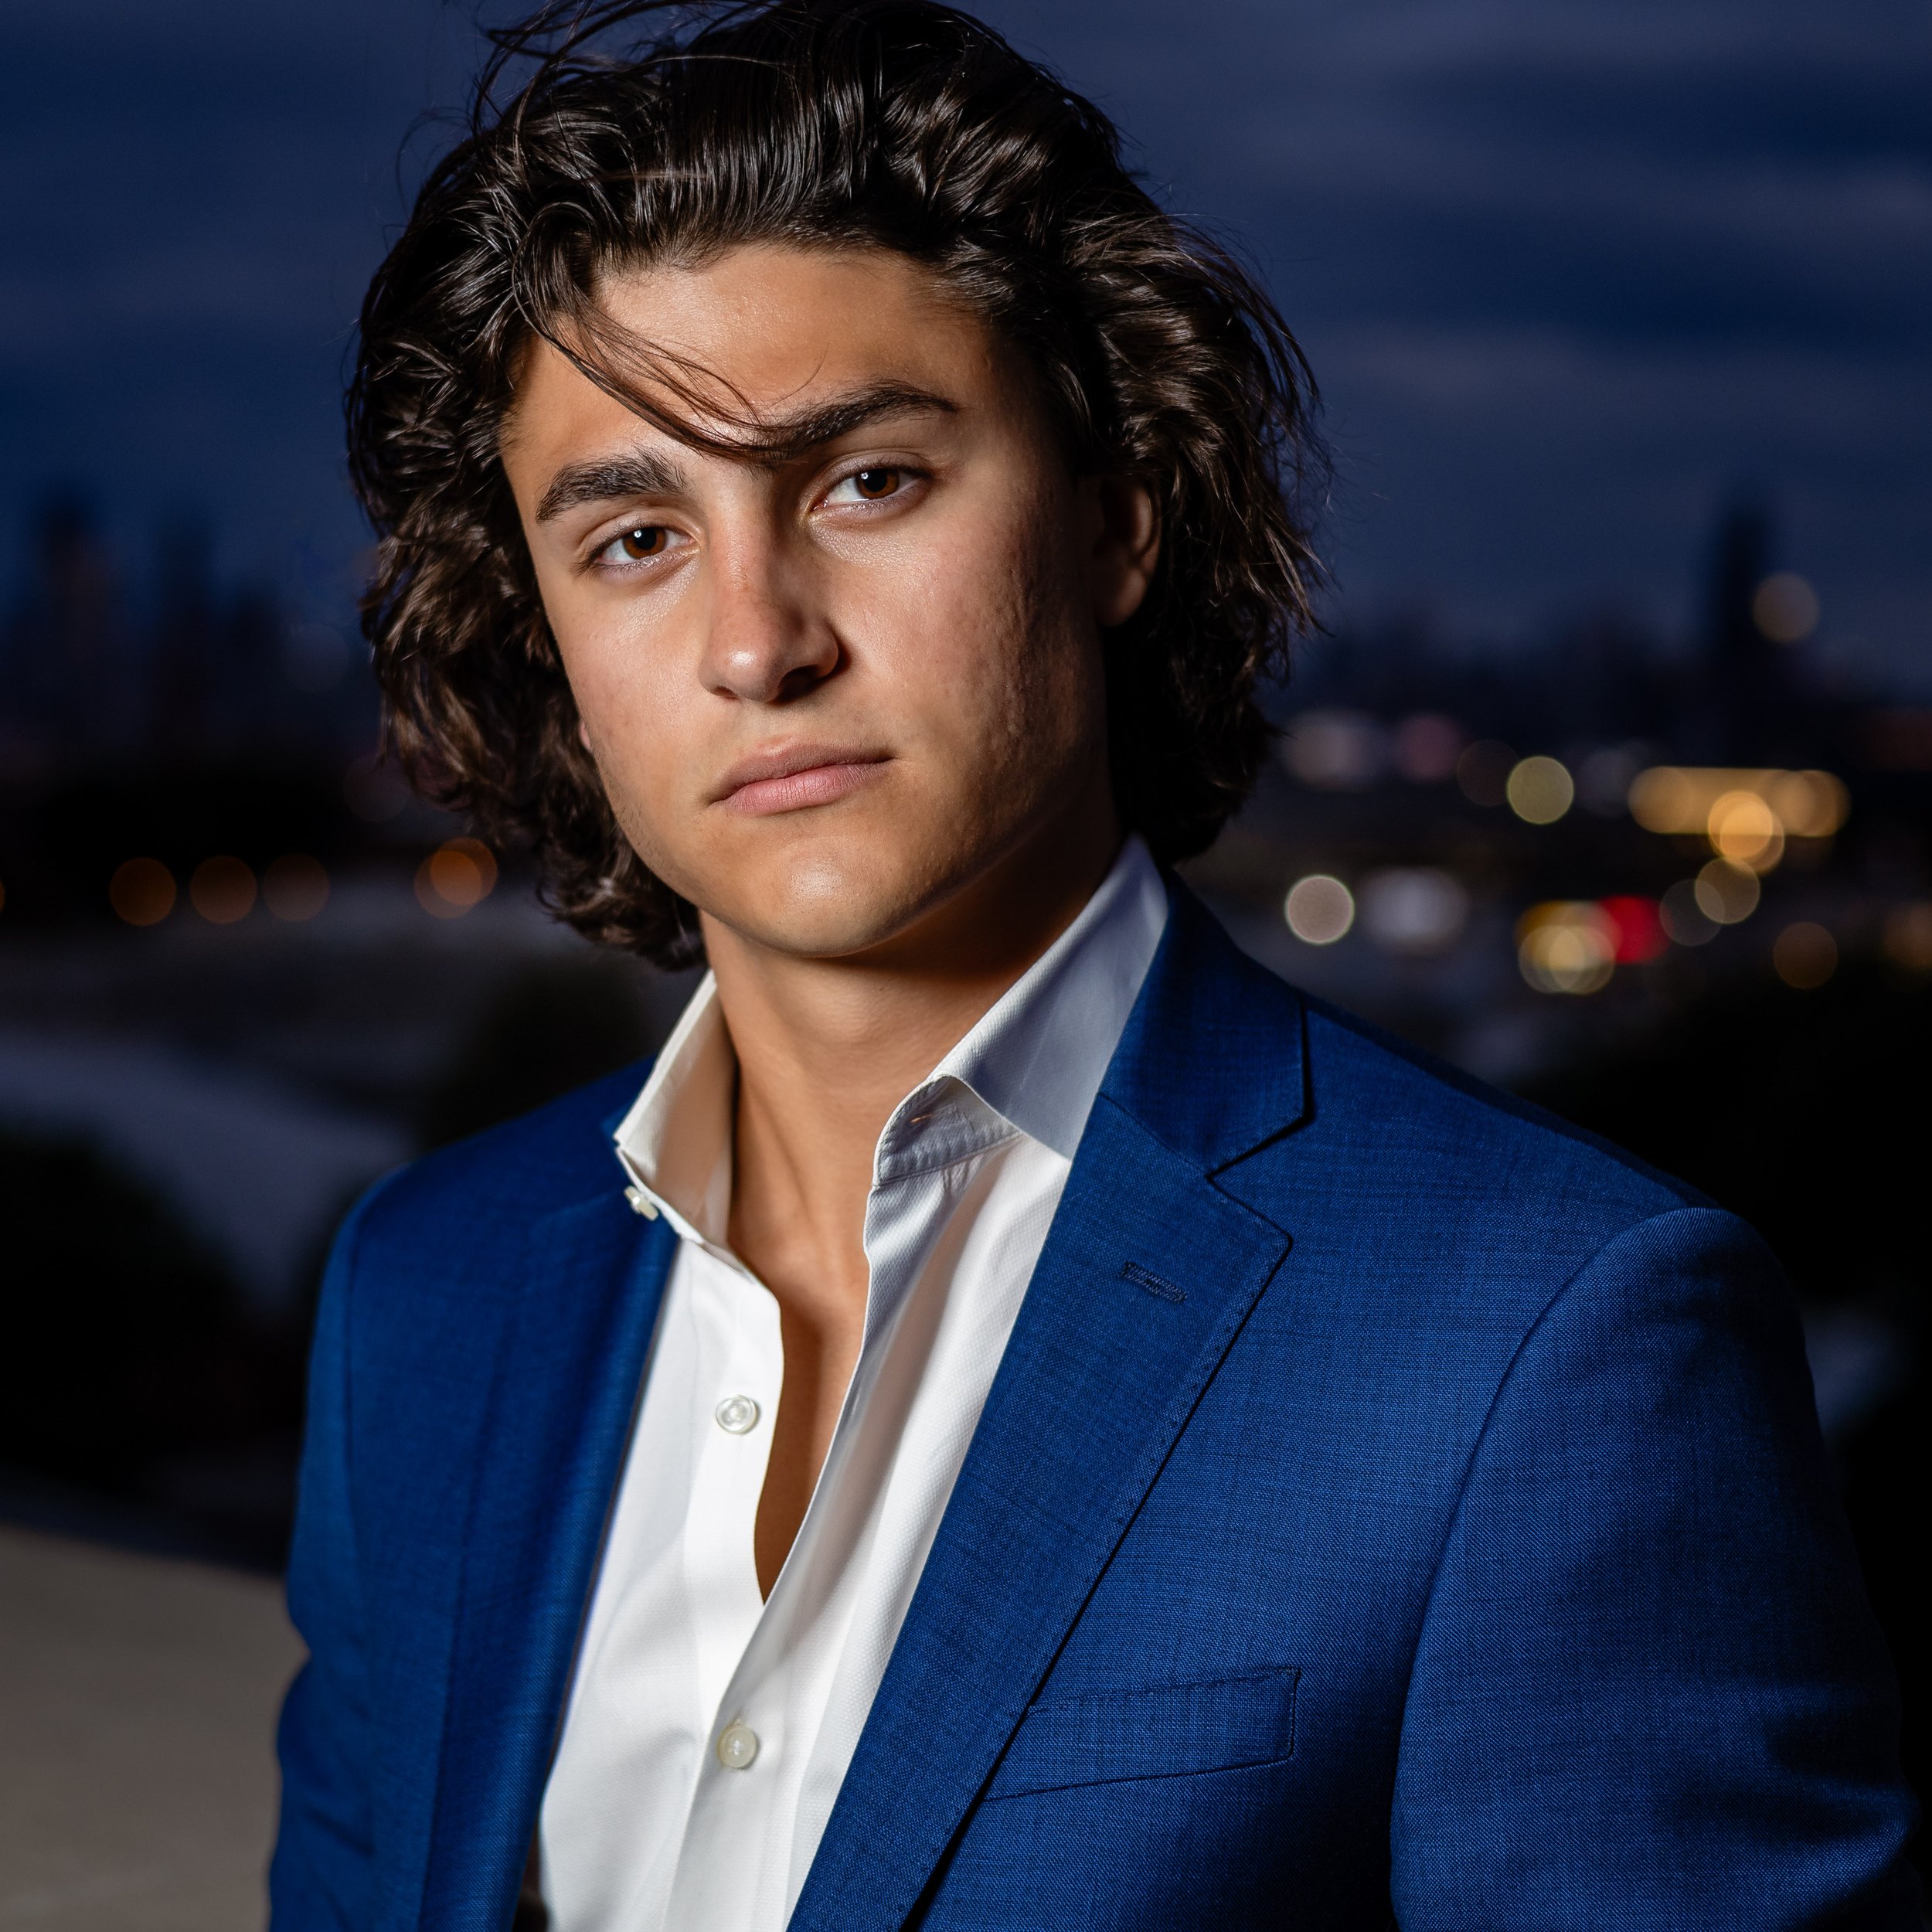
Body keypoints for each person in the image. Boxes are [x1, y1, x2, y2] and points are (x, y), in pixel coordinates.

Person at [270, 3, 1919, 1926]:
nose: (753, 638)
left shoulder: (1549, 1347)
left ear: (1115, 511)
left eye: (864, 482)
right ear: (546, 631)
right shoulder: (431, 1287)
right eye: (634, 534)